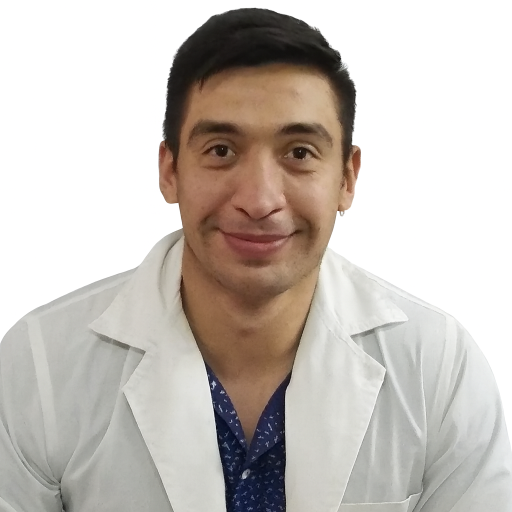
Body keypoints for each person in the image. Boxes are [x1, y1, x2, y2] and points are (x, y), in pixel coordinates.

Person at [0, 7, 511, 512]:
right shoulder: (40, 368)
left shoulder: (438, 369)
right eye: (221, 150)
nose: (260, 200)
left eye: (300, 153)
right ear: (170, 171)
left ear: (347, 178)